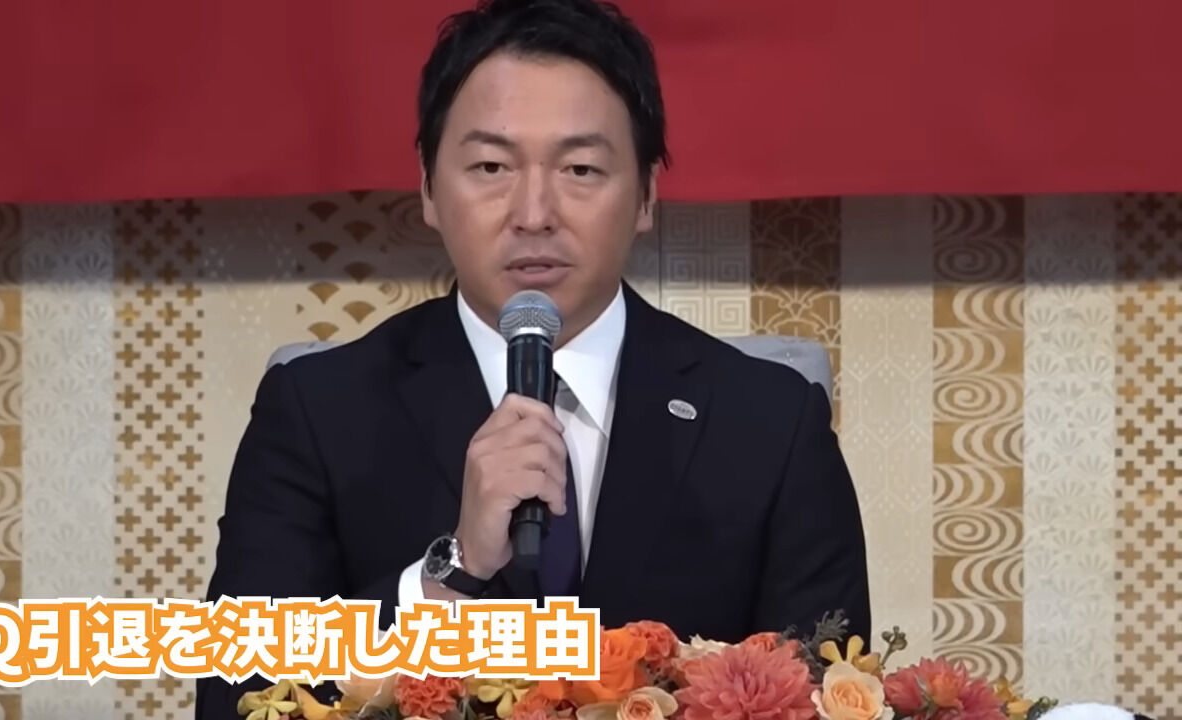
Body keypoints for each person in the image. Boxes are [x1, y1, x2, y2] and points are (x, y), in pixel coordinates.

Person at [197, 0, 869, 714]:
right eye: (491, 165)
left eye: (581, 168)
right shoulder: (318, 410)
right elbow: (237, 696)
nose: (534, 214)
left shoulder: (770, 423)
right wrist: (448, 577)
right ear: (428, 187)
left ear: (646, 193)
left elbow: (823, 691)